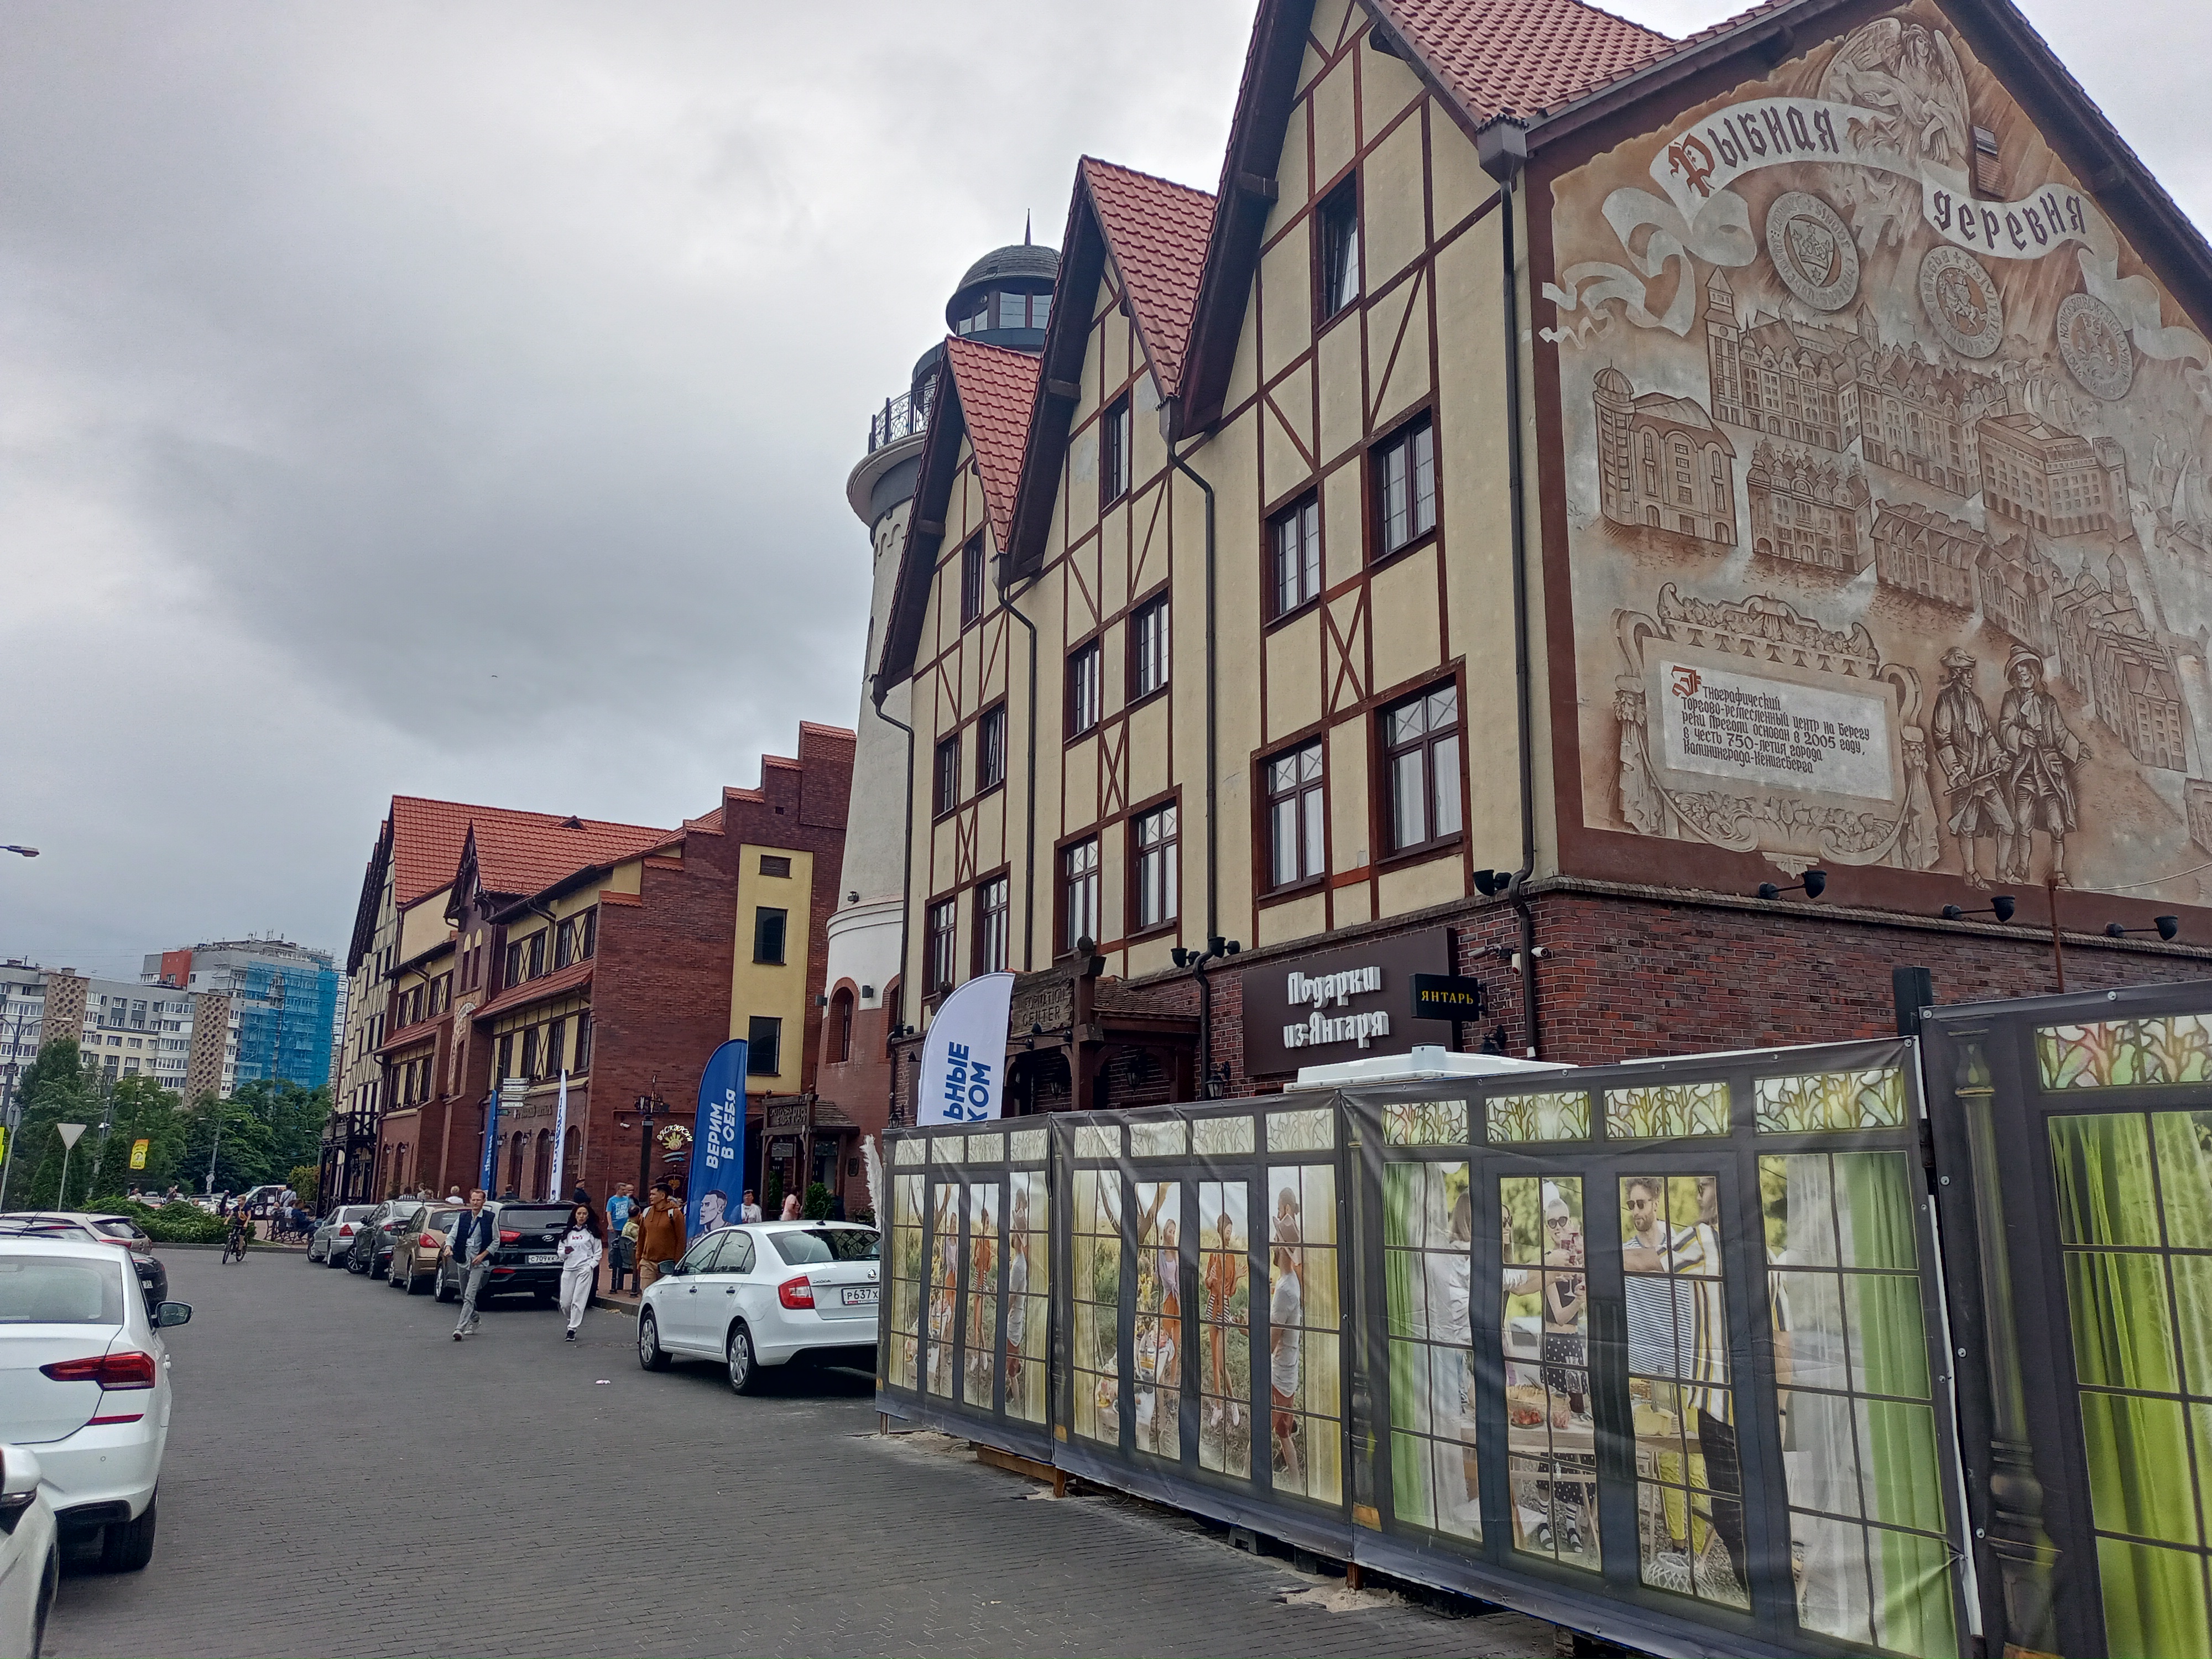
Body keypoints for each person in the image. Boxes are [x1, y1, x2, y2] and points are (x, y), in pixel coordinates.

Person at [1623, 1175, 1743, 1593]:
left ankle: (1701, 1547)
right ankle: (1680, 1545)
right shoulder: (1628, 1252)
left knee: (1697, 1459)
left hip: (1689, 1368)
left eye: (1641, 1203)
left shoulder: (1687, 1243)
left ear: (1657, 1201)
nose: (1636, 1212)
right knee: (1669, 1462)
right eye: (1630, 1205)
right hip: (1649, 1371)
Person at [1268, 1206, 1303, 1490]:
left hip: (1278, 1377)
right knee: (1284, 1435)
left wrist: (1249, 1330)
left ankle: (1242, 1479)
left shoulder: (1284, 1291)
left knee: (1259, 1432)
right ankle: (1298, 1488)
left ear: (1281, 1247)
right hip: (1288, 1375)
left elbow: (1270, 1343)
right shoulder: (1290, 1282)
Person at [450, 1190, 497, 1340]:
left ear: (484, 1201)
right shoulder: (463, 1217)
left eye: (478, 1200)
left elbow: (496, 1241)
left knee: (470, 1295)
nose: (475, 1203)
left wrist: (483, 1255)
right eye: (473, 1200)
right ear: (470, 1200)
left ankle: (460, 1328)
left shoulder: (490, 1218)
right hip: (463, 1260)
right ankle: (475, 1319)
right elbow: (452, 1235)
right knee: (464, 1294)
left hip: (479, 1262)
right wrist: (448, 1247)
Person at [556, 1201, 602, 1342]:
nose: (582, 1216)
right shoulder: (567, 1233)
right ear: (575, 1216)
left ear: (588, 1216)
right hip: (569, 1269)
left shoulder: (592, 1234)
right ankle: (572, 1319)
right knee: (565, 1303)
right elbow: (560, 1253)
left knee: (578, 1300)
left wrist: (590, 1267)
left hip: (584, 1270)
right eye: (579, 1214)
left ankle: (572, 1329)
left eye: (584, 1214)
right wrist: (565, 1252)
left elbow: (598, 1254)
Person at [635, 1181, 686, 1290]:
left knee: (664, 1294)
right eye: (650, 1194)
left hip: (667, 1263)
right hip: (647, 1262)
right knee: (646, 1293)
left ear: (663, 1196)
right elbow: (641, 1237)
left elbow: (681, 1239)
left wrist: (677, 1262)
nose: (650, 1197)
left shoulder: (675, 1214)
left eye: (654, 1194)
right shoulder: (646, 1213)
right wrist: (639, 1259)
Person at [604, 1182, 635, 1293]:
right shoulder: (612, 1200)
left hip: (624, 1226)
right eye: (623, 1190)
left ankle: (622, 1263)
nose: (624, 1192)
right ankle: (612, 1264)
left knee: (624, 1246)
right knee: (613, 1246)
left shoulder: (627, 1199)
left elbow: (632, 1210)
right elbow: (609, 1213)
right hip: (615, 1226)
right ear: (618, 1190)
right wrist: (610, 1225)